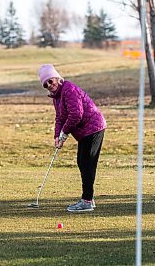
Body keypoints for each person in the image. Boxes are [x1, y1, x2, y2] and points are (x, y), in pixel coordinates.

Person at [38, 64, 106, 213]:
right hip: (84, 132)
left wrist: (64, 133)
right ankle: (88, 198)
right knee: (82, 162)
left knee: (87, 163)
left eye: (50, 81)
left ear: (57, 78)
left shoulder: (69, 89)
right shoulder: (56, 97)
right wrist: (57, 136)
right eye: (45, 84)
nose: (49, 85)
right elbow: (59, 117)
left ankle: (87, 201)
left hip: (94, 127)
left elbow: (76, 114)